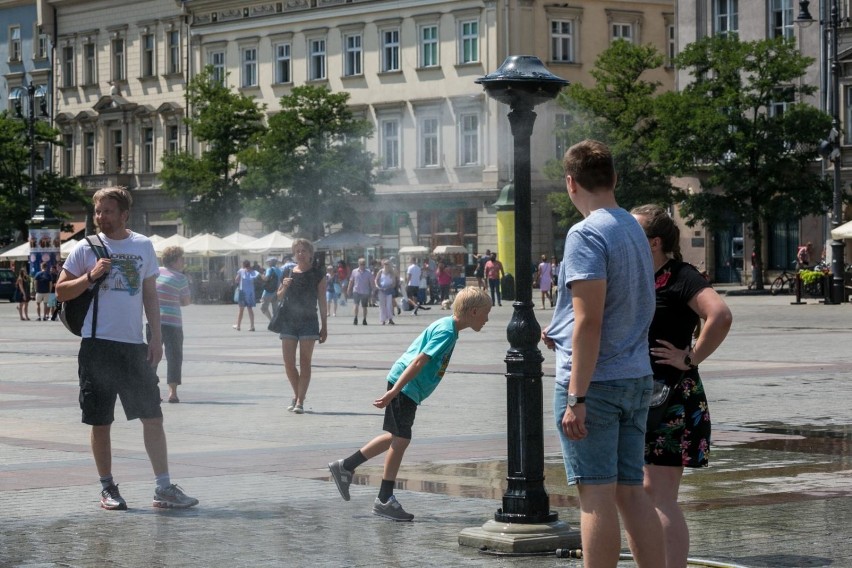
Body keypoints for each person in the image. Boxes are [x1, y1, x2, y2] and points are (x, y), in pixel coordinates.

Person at [541, 140, 664, 567]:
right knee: (631, 492)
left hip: (596, 384)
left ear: (571, 183)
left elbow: (590, 321)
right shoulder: (634, 226)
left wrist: (576, 397)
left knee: (595, 496)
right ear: (614, 178)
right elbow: (627, 303)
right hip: (635, 377)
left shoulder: (587, 232)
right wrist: (559, 329)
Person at [56, 186, 197, 511]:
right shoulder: (85, 248)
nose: (100, 217)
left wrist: (157, 337)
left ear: (124, 214)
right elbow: (61, 292)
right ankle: (108, 487)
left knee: (153, 416)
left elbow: (150, 295)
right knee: (100, 420)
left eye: (107, 211)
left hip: (134, 347)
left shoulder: (143, 245)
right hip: (97, 346)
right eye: (97, 211)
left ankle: (163, 487)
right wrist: (90, 277)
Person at [327, 286, 492, 520]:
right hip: (406, 386)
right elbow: (419, 361)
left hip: (406, 386)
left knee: (396, 436)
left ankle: (345, 467)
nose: (487, 319)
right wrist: (395, 391)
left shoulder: (448, 327)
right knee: (402, 439)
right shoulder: (447, 331)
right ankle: (384, 499)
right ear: (474, 312)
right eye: (486, 313)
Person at [631, 204, 732, 568]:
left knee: (658, 494)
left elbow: (719, 315)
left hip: (670, 398)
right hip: (640, 395)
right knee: (641, 492)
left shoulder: (680, 275)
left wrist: (691, 357)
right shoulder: (637, 275)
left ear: (654, 241)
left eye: (634, 231)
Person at [277, 238, 327, 414]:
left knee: (305, 362)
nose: (300, 254)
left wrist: (324, 326)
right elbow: (279, 296)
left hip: (309, 321)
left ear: (310, 254)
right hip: (289, 322)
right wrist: (283, 287)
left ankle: (300, 400)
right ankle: (296, 394)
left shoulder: (318, 274)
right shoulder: (288, 272)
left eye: (303, 251)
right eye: (297, 251)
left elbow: (322, 300)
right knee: (289, 363)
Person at [147, 245, 192, 404]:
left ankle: (152, 392)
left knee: (152, 356)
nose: (183, 261)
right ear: (174, 261)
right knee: (174, 357)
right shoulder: (180, 278)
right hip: (173, 323)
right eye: (182, 258)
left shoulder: (155, 272)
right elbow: (186, 302)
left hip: (153, 321)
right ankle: (172, 393)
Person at [233, 260, 259, 331]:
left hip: (242, 291)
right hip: (250, 292)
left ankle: (238, 326)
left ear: (243, 265)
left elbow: (236, 280)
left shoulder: (241, 271)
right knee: (250, 309)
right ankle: (252, 326)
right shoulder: (253, 271)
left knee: (241, 309)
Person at [347, 257, 373, 325]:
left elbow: (371, 282)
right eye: (361, 264)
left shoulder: (368, 272)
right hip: (356, 291)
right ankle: (355, 318)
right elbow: (351, 281)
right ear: (358, 264)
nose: (362, 265)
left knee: (364, 306)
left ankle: (364, 319)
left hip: (365, 292)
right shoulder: (354, 271)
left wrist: (374, 290)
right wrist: (348, 289)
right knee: (356, 305)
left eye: (364, 264)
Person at [260, 257, 283, 322]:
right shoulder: (279, 270)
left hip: (268, 292)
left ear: (270, 262)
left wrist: (261, 275)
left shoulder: (269, 269)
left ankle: (271, 321)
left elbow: (266, 278)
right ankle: (276, 322)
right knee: (275, 309)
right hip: (276, 291)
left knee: (263, 308)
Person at [375, 260, 398, 325]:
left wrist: (390, 286)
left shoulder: (391, 273)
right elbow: (376, 279)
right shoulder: (380, 271)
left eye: (387, 264)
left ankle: (390, 319)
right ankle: (383, 320)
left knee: (389, 305)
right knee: (382, 306)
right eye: (385, 264)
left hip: (389, 290)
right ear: (383, 264)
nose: (386, 265)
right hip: (381, 289)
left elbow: (394, 283)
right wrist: (377, 286)